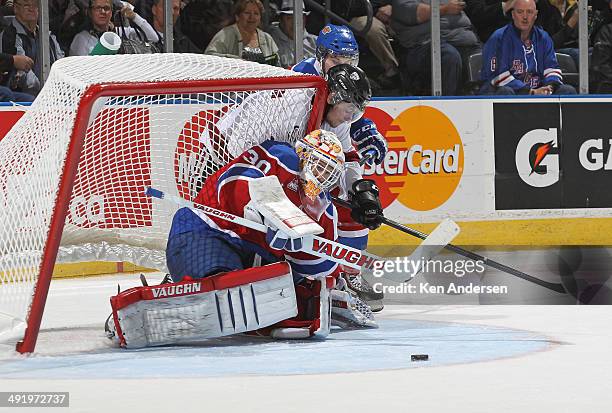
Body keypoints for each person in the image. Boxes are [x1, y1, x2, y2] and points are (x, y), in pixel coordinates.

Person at [294, 32, 387, 311]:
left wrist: (358, 190)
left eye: (348, 58)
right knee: (319, 207)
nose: (341, 64)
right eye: (336, 58)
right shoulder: (300, 86)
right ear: (321, 57)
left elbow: (345, 154)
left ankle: (348, 273)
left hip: (311, 161)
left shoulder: (345, 86)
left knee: (348, 204)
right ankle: (312, 275)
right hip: (278, 161)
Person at [479, 0, 577, 95]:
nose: (525, 17)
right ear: (513, 15)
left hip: (537, 89)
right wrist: (530, 92)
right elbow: (498, 77)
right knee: (505, 92)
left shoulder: (543, 37)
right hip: (505, 90)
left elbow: (552, 68)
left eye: (529, 12)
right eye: (520, 12)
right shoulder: (499, 38)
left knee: (567, 90)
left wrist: (548, 88)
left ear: (536, 15)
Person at [391, 0, 482, 95]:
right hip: (421, 46)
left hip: (462, 41)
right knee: (449, 55)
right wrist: (445, 9)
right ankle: (448, 104)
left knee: (484, 54)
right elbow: (414, 14)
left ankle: (484, 104)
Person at [0, 0, 65, 96]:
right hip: (25, 96)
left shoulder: (49, 36)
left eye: (35, 5)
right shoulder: (9, 35)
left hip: (53, 94)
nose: (32, 9)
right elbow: (24, 78)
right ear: (16, 8)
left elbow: (61, 63)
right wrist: (47, 92)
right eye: (26, 5)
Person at [205, 0, 280, 66]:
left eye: (256, 13)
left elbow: (277, 63)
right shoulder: (225, 35)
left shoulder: (267, 38)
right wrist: (237, 61)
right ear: (237, 16)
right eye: (247, 13)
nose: (252, 17)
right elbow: (209, 57)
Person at [69, 0, 157, 56]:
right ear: (90, 12)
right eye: (98, 8)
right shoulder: (81, 39)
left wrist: (134, 17)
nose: (103, 12)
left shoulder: (121, 32)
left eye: (107, 8)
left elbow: (153, 38)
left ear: (111, 12)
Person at [268, 0, 317, 68]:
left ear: (305, 20)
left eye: (300, 17)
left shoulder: (316, 42)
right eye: (289, 18)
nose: (295, 23)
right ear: (281, 20)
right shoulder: (270, 41)